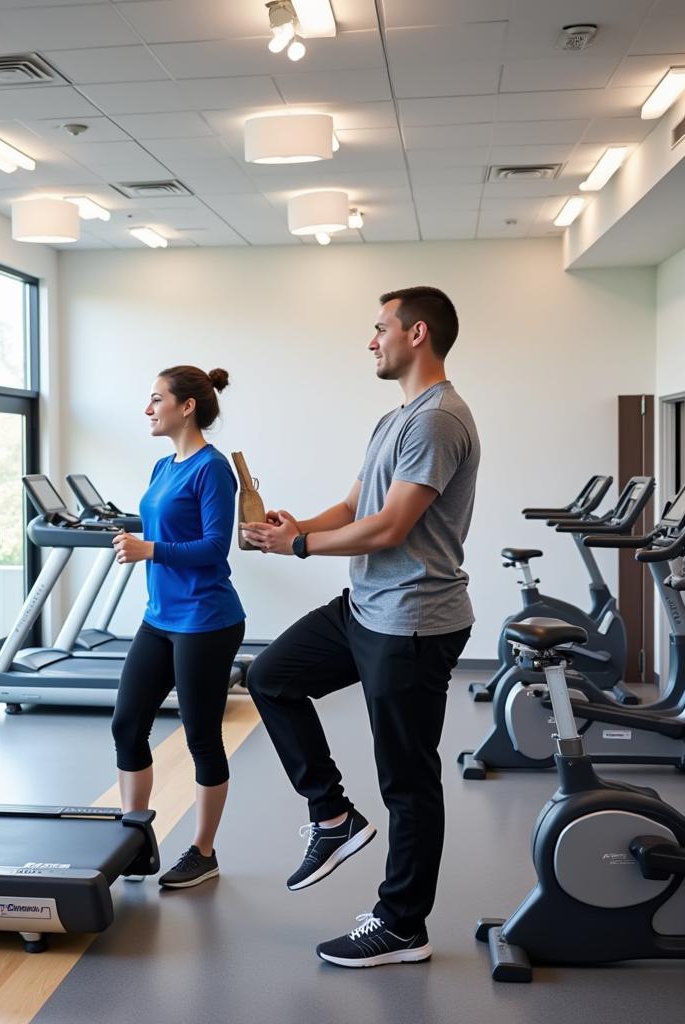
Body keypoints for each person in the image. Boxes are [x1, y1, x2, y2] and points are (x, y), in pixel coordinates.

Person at [241, 286, 479, 967]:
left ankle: (403, 925)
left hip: (412, 621)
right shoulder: (396, 419)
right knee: (271, 677)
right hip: (367, 607)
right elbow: (355, 503)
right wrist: (294, 528)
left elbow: (392, 526)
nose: (371, 340)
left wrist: (302, 550)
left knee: (407, 782)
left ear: (418, 334)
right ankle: (333, 817)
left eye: (380, 329)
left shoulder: (439, 420)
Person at [111, 365, 246, 888]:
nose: (148, 409)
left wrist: (150, 548)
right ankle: (133, 836)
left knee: (202, 739)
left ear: (186, 406)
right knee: (127, 724)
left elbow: (216, 546)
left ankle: (202, 851)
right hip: (159, 618)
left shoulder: (212, 470)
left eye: (156, 399)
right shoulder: (162, 467)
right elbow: (158, 526)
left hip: (206, 621)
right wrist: (136, 539)